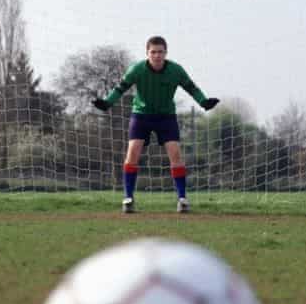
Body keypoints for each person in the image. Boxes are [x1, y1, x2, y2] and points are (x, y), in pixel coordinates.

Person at [93, 36, 219, 213]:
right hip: (141, 115)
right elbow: (120, 88)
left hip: (166, 116)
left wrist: (203, 102)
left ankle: (182, 199)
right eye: (153, 52)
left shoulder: (176, 70)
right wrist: (107, 103)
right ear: (147, 53)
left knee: (175, 154)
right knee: (132, 152)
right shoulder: (137, 69)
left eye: (160, 52)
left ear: (166, 53)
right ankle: (128, 199)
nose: (157, 55)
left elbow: (191, 88)